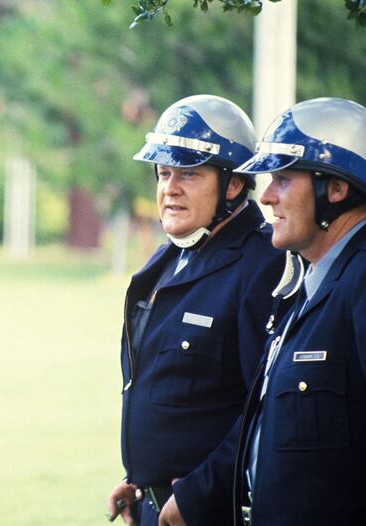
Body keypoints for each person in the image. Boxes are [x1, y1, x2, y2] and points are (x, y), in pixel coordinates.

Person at [160, 97, 366, 526]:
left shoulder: (359, 280)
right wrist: (197, 496)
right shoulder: (310, 285)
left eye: (283, 180)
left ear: (335, 189)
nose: (267, 196)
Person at [106, 95, 284, 526]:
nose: (170, 188)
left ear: (234, 185)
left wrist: (200, 494)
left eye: (189, 173)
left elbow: (266, 408)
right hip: (155, 504)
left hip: (210, 511)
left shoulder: (262, 264)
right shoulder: (169, 258)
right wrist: (141, 479)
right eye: (164, 173)